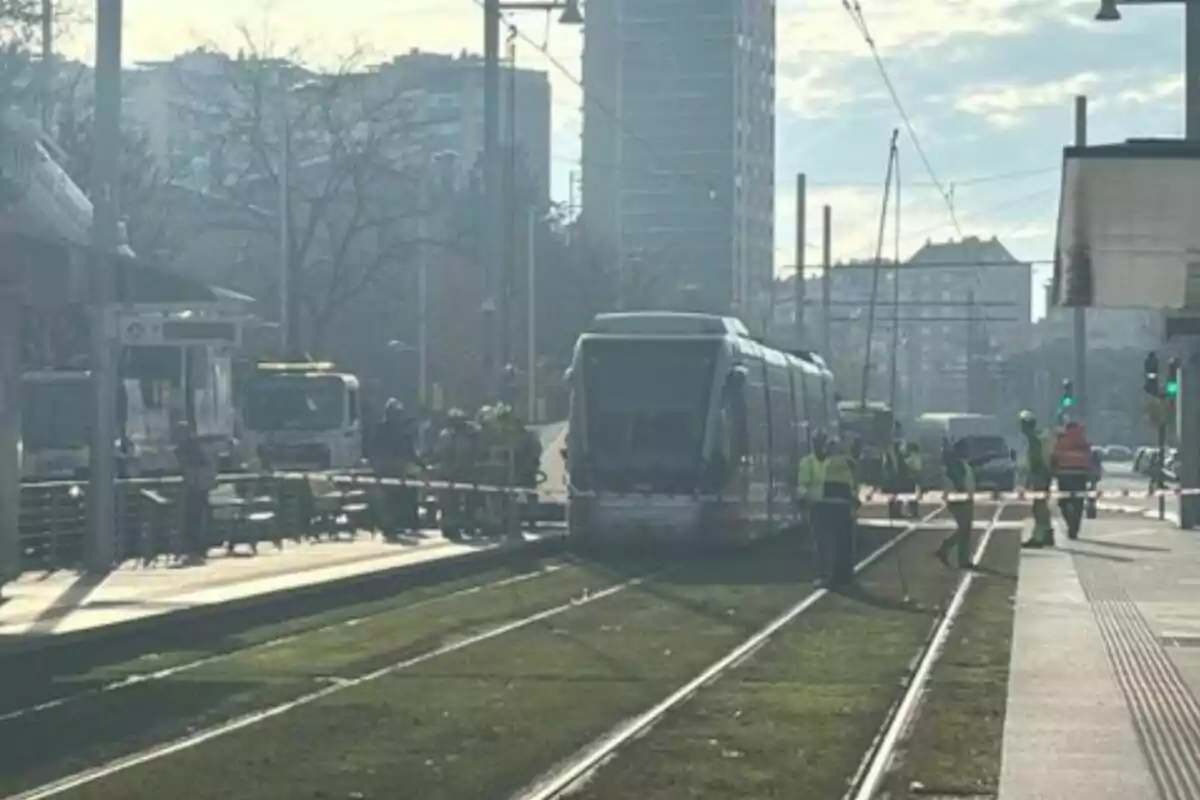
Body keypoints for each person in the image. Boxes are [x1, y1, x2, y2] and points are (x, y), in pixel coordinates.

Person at [372, 398, 420, 538]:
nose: (397, 416)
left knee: (405, 495)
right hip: (388, 470)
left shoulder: (403, 431)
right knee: (389, 499)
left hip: (402, 470)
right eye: (394, 413)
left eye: (399, 413)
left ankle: (405, 522)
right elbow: (375, 451)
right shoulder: (381, 430)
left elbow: (410, 451)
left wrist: (420, 463)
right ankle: (389, 526)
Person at [173, 422, 214, 564]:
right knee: (192, 519)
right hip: (195, 487)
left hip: (195, 488)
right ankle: (193, 548)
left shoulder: (190, 448)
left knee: (195, 519)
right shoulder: (189, 448)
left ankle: (195, 549)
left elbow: (198, 465)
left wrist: (192, 475)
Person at [1051, 419, 1093, 540]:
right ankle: (1074, 528)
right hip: (1081, 474)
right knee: (1078, 502)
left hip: (1065, 473)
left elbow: (1055, 456)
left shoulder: (1062, 441)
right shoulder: (1083, 441)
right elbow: (1090, 457)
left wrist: (1053, 471)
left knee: (1063, 501)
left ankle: (1070, 523)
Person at [937, 438, 975, 569]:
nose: (968, 450)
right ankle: (947, 548)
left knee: (965, 530)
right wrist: (961, 492)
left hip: (965, 499)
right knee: (964, 529)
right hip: (960, 501)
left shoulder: (961, 464)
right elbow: (956, 481)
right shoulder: (956, 465)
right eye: (966, 448)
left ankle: (961, 559)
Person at [1020, 410, 1055, 548]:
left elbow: (1036, 462)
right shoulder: (1038, 438)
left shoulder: (1034, 440)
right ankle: (1047, 534)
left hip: (1040, 476)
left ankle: (1039, 538)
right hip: (1044, 475)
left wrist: (1029, 480)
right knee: (1041, 506)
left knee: (1039, 507)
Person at [904, 442, 923, 518]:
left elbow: (907, 464)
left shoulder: (912, 457)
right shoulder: (919, 457)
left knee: (912, 496)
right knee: (916, 495)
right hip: (918, 477)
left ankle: (912, 512)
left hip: (912, 477)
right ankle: (914, 512)